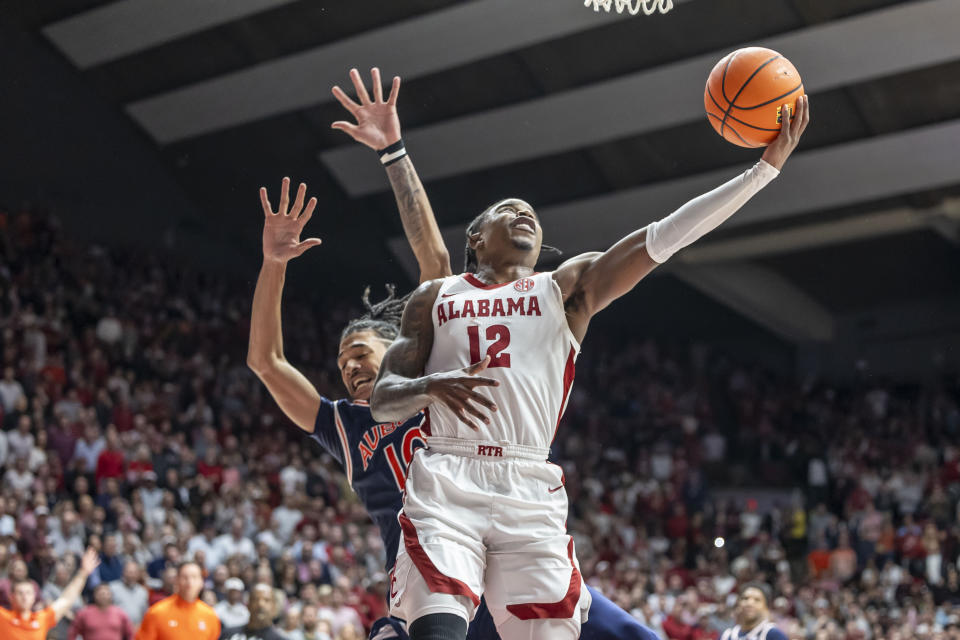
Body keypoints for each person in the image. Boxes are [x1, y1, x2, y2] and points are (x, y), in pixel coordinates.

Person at [369, 70, 809, 638]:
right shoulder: (436, 296)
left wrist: (762, 172)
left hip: (529, 480)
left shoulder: (565, 287)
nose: (525, 213)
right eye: (509, 209)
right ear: (475, 238)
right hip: (448, 473)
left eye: (531, 211)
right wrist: (431, 387)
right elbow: (382, 401)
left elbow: (664, 236)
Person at [249, 68, 663, 640]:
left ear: (397, 349)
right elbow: (267, 364)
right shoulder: (342, 425)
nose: (350, 366)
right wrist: (273, 265)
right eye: (342, 361)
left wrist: (394, 152)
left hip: (507, 549)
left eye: (360, 352)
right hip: (434, 588)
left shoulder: (436, 366)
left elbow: (434, 261)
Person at [0, 547, 99, 640]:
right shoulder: (3, 618)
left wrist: (83, 573)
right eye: (20, 593)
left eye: (28, 593)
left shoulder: (41, 619)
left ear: (34, 597)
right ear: (11, 597)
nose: (25, 597)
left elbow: (65, 600)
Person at [134, 561, 220, 640]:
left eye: (194, 577)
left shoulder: (210, 615)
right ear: (177, 580)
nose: (190, 582)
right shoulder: (157, 613)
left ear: (201, 582)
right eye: (185, 577)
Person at [719, 583, 788, 640]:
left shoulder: (773, 634)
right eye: (745, 598)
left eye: (757, 600)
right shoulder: (727, 636)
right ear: (738, 604)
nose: (750, 603)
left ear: (766, 608)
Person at [219, 583, 286, 640]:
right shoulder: (228, 634)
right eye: (255, 599)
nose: (260, 604)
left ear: (274, 607)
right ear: (248, 605)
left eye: (266, 600)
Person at [68, 583, 134, 640]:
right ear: (95, 595)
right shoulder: (84, 613)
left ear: (111, 595)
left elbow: (130, 634)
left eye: (106, 593)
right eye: (101, 594)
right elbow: (73, 633)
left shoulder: (120, 613)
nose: (104, 596)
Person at [111, 561, 149, 627]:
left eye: (134, 572)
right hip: (117, 628)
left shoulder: (143, 592)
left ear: (138, 574)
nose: (132, 575)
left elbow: (145, 613)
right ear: (123, 572)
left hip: (136, 629)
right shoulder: (112, 588)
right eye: (129, 572)